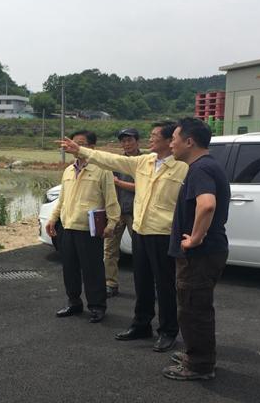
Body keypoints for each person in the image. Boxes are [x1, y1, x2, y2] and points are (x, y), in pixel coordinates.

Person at [59, 121, 188, 352]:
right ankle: (141, 324)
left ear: (170, 141)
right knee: (143, 283)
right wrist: (81, 150)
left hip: (164, 234)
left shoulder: (182, 167)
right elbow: (112, 160)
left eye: (155, 135)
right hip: (141, 231)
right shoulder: (144, 162)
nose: (151, 139)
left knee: (165, 286)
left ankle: (168, 330)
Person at [162, 117, 231, 381]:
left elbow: (207, 205)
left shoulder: (200, 169)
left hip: (200, 255)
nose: (171, 144)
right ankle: (196, 354)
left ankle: (200, 365)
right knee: (196, 306)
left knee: (193, 310)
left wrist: (195, 239)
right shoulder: (206, 165)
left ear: (189, 141)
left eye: (175, 139)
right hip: (206, 254)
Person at [46, 130, 120, 323]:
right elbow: (62, 199)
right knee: (69, 268)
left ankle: (97, 306)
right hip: (68, 226)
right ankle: (74, 302)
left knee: (92, 269)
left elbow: (111, 199)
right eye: (73, 142)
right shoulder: (68, 170)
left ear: (92, 148)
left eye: (81, 143)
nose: (75, 146)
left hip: (89, 229)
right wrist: (53, 219)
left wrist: (112, 223)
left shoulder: (102, 169)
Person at [104, 128, 140, 298]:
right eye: (123, 141)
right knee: (110, 250)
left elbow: (143, 187)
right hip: (117, 213)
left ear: (137, 141)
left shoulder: (144, 161)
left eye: (129, 140)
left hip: (136, 213)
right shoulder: (118, 161)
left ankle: (148, 285)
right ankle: (111, 284)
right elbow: (109, 187)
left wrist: (118, 182)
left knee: (142, 251)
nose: (126, 144)